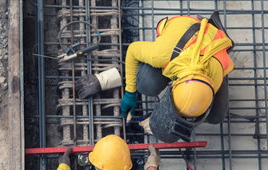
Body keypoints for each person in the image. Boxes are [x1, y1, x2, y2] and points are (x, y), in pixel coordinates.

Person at [76, 12, 235, 142]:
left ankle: (215, 30)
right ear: (174, 85)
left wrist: (160, 122)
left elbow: (193, 106)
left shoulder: (217, 73)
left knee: (217, 116)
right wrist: (130, 92)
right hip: (183, 34)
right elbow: (132, 51)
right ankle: (205, 23)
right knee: (146, 85)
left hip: (212, 50)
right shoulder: (162, 54)